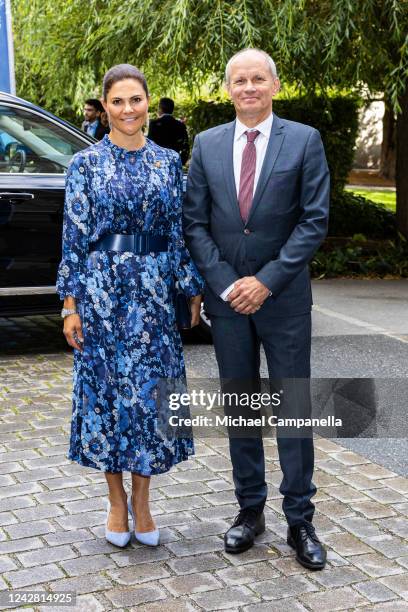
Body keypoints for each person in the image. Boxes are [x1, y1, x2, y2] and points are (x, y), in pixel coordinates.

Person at [184, 48, 330, 569]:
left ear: (274, 84)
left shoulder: (304, 141)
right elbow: (194, 223)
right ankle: (250, 510)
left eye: (258, 79)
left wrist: (265, 282)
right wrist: (227, 285)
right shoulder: (206, 144)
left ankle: (300, 519)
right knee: (240, 405)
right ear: (228, 89)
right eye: (239, 80)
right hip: (229, 305)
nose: (248, 87)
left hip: (284, 299)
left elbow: (314, 221)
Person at [56, 64, 203, 548]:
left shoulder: (166, 163)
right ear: (105, 106)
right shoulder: (85, 165)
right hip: (102, 297)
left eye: (135, 100)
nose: (127, 110)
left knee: (150, 399)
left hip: (155, 297)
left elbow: (178, 235)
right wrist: (70, 305)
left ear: (147, 102)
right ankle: (117, 502)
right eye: (117, 102)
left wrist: (191, 288)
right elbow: (74, 240)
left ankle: (144, 501)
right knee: (108, 397)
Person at [148, 97, 190, 165]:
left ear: (160, 108)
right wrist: (181, 162)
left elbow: (149, 145)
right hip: (174, 162)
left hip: (158, 164)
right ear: (172, 109)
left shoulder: (154, 124)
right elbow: (185, 146)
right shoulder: (180, 125)